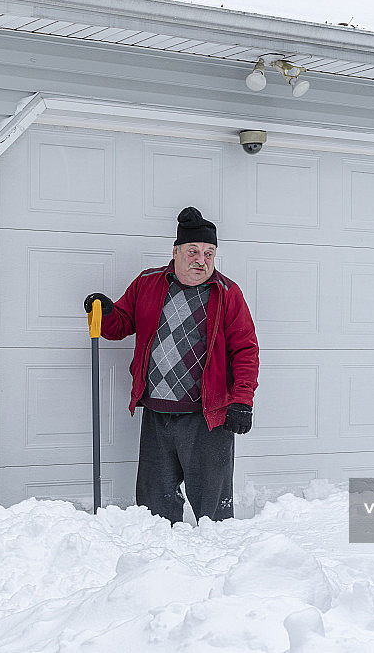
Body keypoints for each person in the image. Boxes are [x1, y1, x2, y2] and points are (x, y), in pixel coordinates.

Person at [84, 206, 260, 523]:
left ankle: (219, 562)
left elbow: (245, 349)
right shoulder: (148, 284)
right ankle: (160, 565)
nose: (201, 260)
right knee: (155, 509)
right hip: (157, 412)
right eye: (193, 251)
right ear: (176, 252)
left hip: (208, 416)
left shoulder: (227, 293)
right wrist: (107, 311)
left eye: (209, 253)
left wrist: (242, 399)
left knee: (214, 511)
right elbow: (118, 326)